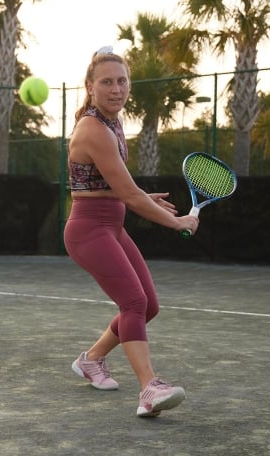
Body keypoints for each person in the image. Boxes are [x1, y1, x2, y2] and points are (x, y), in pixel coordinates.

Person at [64, 46, 200, 417]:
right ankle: (149, 389)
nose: (116, 89)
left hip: (112, 224)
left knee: (148, 306)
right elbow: (126, 192)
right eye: (106, 82)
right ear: (90, 87)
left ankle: (91, 360)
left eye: (122, 81)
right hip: (89, 230)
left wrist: (142, 197)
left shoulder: (113, 121)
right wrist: (176, 221)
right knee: (134, 303)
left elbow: (113, 186)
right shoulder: (93, 128)